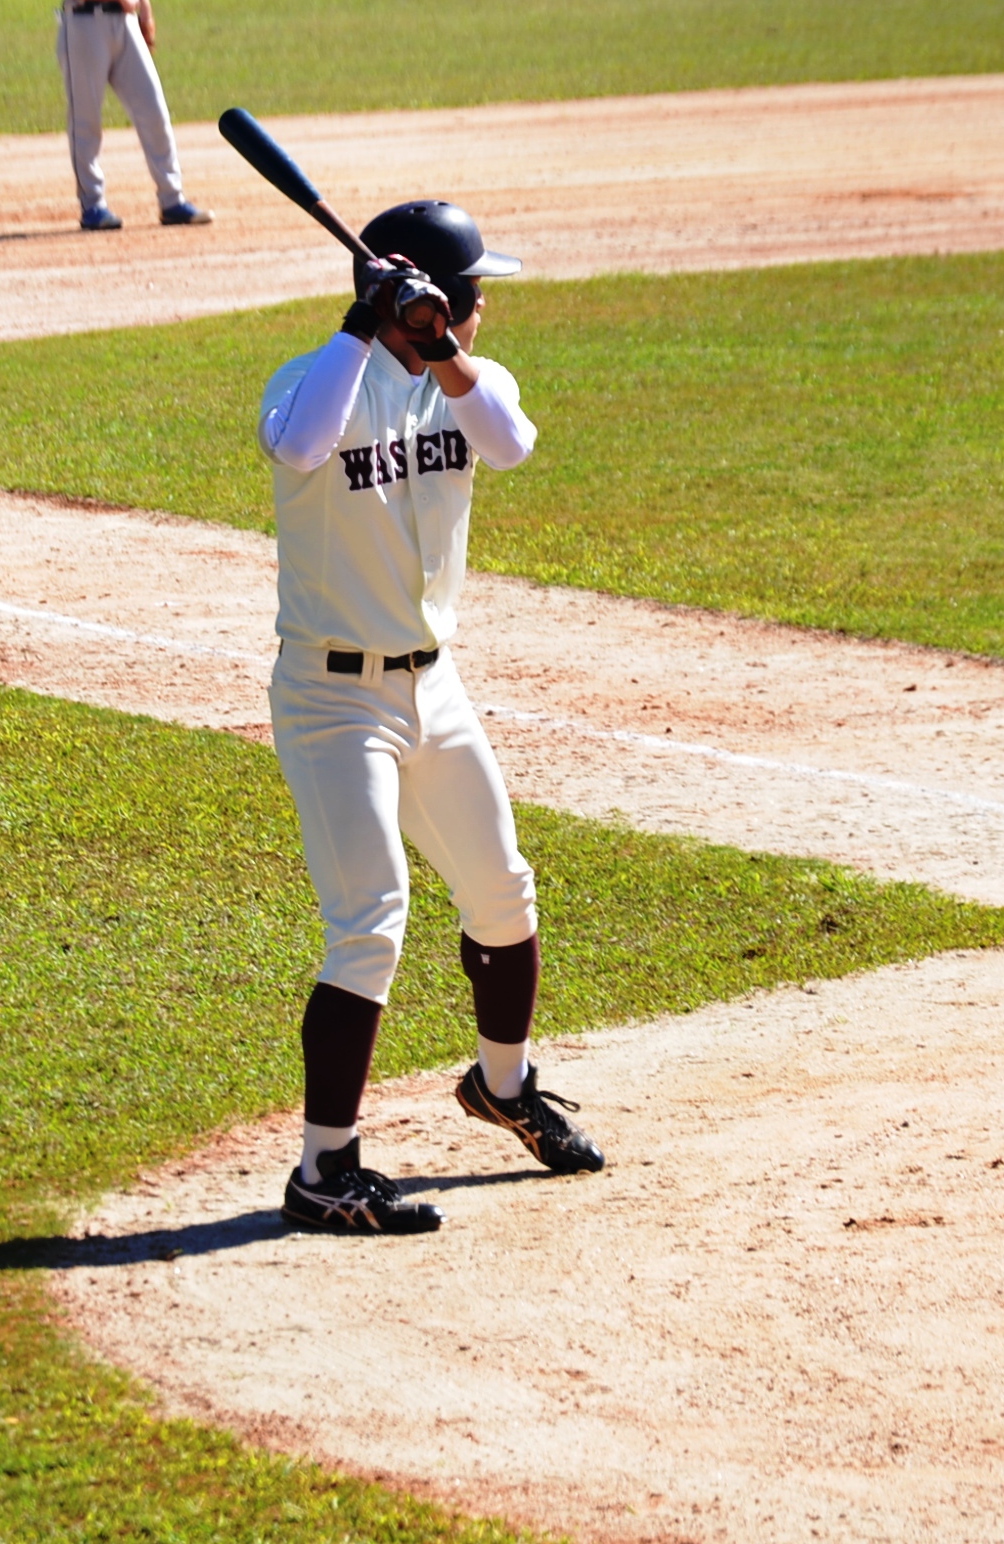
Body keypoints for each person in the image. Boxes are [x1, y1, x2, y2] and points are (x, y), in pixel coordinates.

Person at [258, 200, 605, 1235]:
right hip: (331, 696)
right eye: (471, 291)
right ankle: (323, 1171)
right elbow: (302, 445)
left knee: (501, 890)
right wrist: (363, 324)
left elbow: (509, 443)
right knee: (370, 918)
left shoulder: (470, 385)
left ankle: (503, 1085)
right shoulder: (315, 379)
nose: (483, 306)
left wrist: (439, 347)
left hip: (433, 687)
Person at [44, 0, 209, 231]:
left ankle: (172, 200)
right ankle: (93, 206)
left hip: (126, 25)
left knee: (154, 109)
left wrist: (143, 5)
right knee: (86, 121)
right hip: (84, 26)